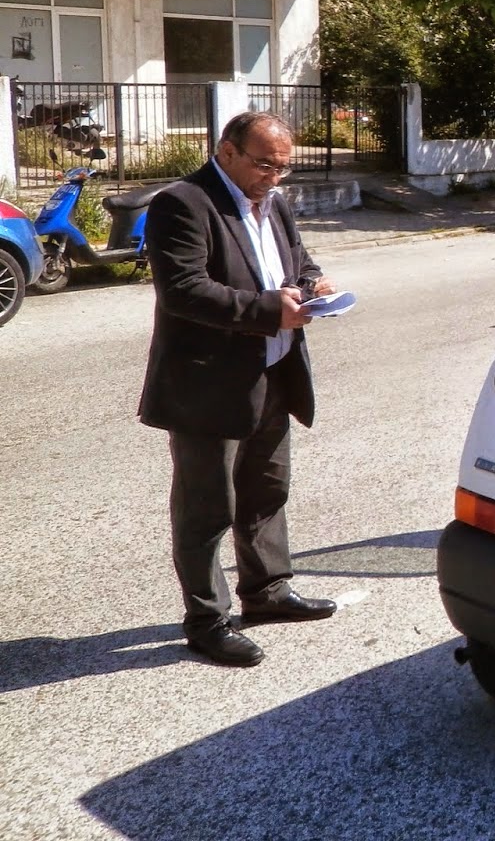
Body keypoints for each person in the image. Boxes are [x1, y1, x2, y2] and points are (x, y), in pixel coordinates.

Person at [139, 111, 337, 667]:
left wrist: (310, 285)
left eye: (283, 167)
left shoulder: (274, 201)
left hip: (273, 374)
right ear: (226, 151)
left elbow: (297, 260)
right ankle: (207, 621)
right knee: (207, 510)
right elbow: (183, 290)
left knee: (267, 492)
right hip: (208, 387)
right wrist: (272, 309)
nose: (274, 176)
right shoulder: (183, 202)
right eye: (264, 164)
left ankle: (268, 592)